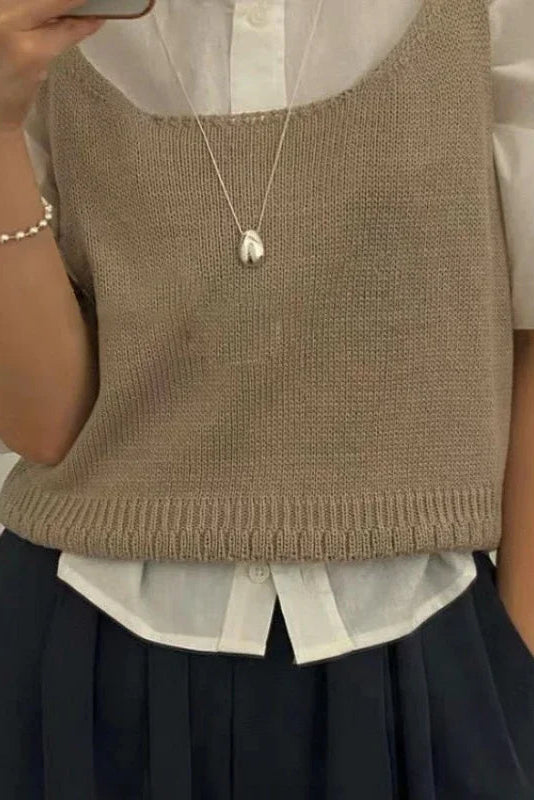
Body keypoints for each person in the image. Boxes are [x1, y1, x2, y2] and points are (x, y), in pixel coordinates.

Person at [0, 0, 533, 797]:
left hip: (431, 662)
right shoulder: (36, 25)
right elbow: (44, 425)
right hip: (78, 657)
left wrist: (516, 683)